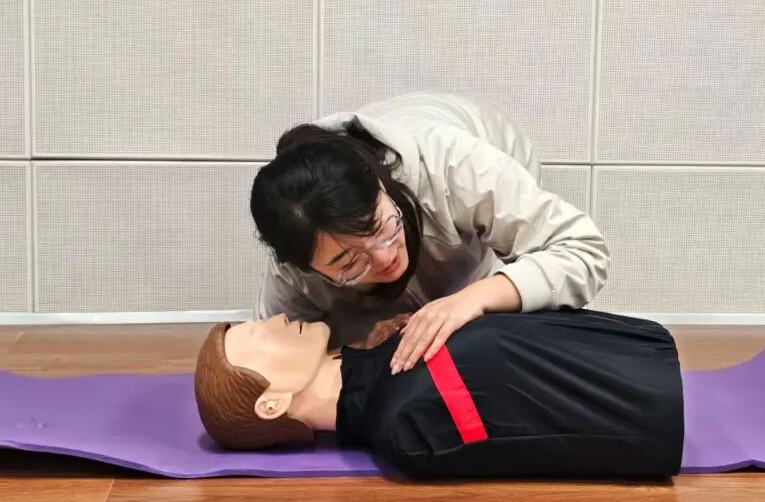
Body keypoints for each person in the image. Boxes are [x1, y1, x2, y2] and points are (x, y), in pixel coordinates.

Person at [249, 91, 610, 372]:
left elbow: (583, 250)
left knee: (493, 318)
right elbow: (274, 360)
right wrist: (357, 346)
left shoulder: (455, 166)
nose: (384, 257)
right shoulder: (294, 258)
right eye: (349, 263)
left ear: (379, 184)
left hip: (481, 141)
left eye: (380, 227)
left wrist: (474, 299)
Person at [194, 308, 686, 479]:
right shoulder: (410, 426)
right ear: (273, 403)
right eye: (260, 338)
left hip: (641, 357)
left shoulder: (388, 352)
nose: (277, 320)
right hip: (650, 403)